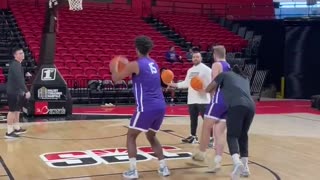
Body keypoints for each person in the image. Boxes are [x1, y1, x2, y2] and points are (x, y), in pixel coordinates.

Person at [110, 36, 170, 179]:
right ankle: (163, 167)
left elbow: (116, 79)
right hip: (161, 106)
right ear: (149, 49)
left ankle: (133, 170)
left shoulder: (135, 64)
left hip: (146, 107)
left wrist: (113, 67)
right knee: (151, 135)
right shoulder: (154, 63)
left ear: (137, 49)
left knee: (131, 136)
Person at [205, 65, 256, 180]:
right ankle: (245, 168)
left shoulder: (224, 75)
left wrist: (202, 88)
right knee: (243, 135)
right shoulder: (245, 78)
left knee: (232, 135)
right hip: (251, 107)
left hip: (236, 105)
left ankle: (237, 162)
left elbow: (209, 88)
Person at [192, 45, 231, 172]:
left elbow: (215, 82)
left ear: (215, 54)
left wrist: (205, 91)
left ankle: (201, 153)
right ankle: (217, 162)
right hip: (228, 100)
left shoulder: (216, 64)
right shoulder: (229, 66)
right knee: (219, 132)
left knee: (206, 127)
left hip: (218, 100)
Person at [168, 52, 212, 144]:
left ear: (201, 58)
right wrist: (173, 84)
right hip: (192, 99)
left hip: (203, 100)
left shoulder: (207, 69)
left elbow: (212, 83)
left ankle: (212, 138)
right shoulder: (190, 70)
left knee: (207, 120)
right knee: (193, 119)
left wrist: (205, 90)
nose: (195, 58)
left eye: (197, 57)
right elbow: (186, 83)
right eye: (193, 57)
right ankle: (193, 136)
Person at [5, 47, 30, 138]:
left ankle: (16, 127)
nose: (22, 54)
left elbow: (19, 79)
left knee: (17, 110)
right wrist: (26, 91)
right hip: (13, 92)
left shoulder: (18, 64)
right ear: (15, 55)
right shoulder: (15, 65)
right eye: (20, 53)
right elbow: (19, 80)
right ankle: (9, 131)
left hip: (17, 91)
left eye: (22, 53)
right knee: (12, 111)